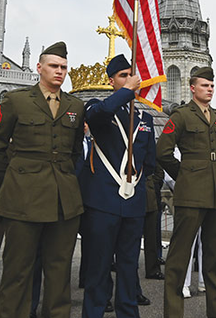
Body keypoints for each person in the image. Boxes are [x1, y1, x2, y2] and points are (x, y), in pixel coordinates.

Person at [0, 41, 86, 318]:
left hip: (64, 201)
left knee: (59, 270)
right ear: (39, 67)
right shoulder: (16, 101)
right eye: (54, 66)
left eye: (64, 67)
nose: (60, 71)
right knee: (17, 271)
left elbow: (76, 151)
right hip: (22, 200)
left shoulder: (75, 105)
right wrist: (15, 179)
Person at [155, 66, 216, 318]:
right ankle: (173, 313)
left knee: (213, 259)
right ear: (193, 88)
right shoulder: (181, 116)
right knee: (179, 258)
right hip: (190, 193)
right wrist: (185, 173)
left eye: (212, 85)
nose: (210, 89)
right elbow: (163, 152)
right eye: (204, 85)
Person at [79, 54, 156, 318]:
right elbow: (99, 115)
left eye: (132, 75)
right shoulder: (98, 107)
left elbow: (151, 163)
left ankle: (128, 312)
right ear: (112, 81)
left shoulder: (145, 119)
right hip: (103, 203)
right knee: (99, 268)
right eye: (123, 75)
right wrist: (125, 92)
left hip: (133, 203)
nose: (131, 80)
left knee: (128, 266)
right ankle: (93, 313)